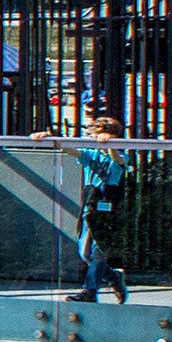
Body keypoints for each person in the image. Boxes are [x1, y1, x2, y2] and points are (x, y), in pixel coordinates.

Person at [52, 112, 129, 304]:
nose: (93, 139)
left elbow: (118, 160)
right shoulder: (91, 154)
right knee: (85, 253)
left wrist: (109, 144)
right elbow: (72, 151)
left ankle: (89, 291)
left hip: (106, 210)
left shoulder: (120, 156)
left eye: (96, 135)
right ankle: (113, 277)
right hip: (89, 206)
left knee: (98, 252)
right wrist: (49, 138)